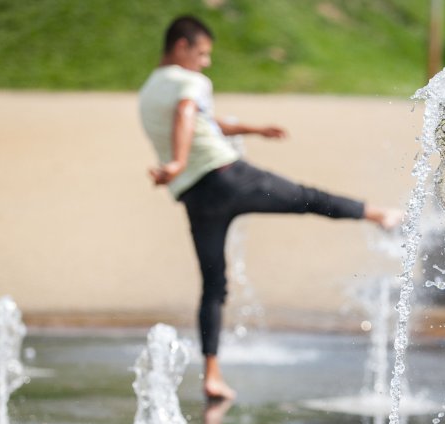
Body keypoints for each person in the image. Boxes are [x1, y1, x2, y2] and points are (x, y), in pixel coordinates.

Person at [139, 16, 401, 400]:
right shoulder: (191, 82)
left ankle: (212, 374)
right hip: (227, 177)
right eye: (202, 53)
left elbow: (203, 122)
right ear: (182, 46)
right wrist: (178, 160)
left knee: (213, 285)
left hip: (195, 195)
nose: (206, 62)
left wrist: (252, 130)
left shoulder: (148, 90)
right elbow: (186, 114)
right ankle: (379, 214)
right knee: (306, 197)